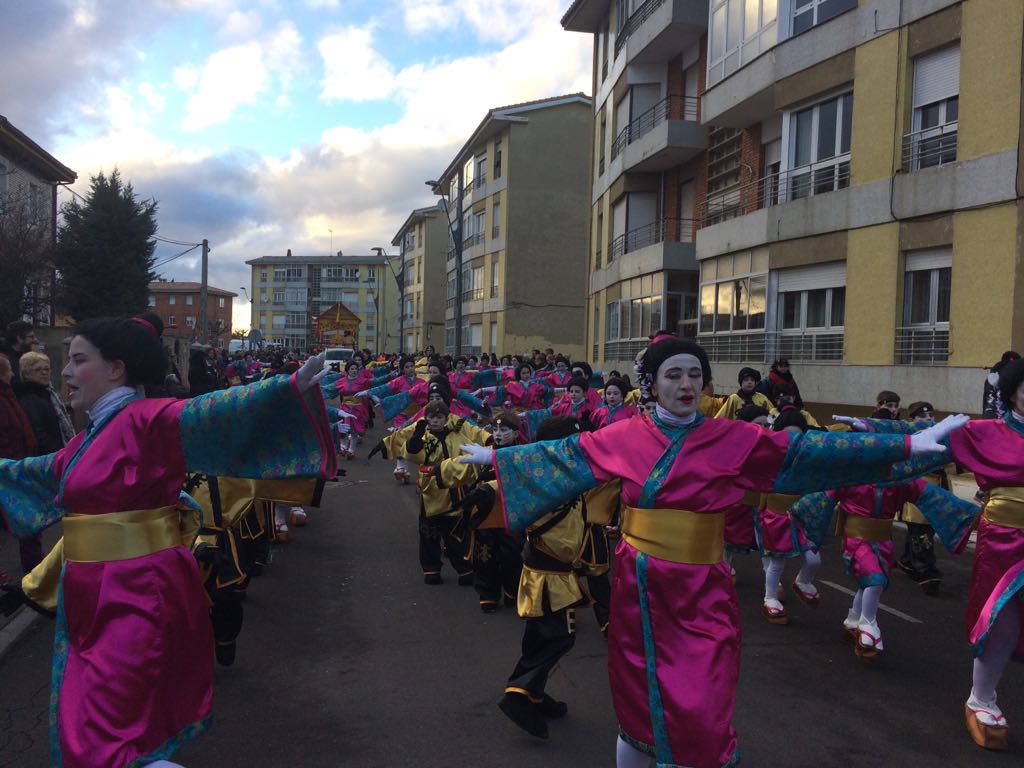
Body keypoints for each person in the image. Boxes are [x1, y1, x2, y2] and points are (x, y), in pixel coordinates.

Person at [459, 337, 965, 768]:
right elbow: (565, 456)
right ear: (651, 384)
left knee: (703, 699)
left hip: (704, 586)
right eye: (673, 375)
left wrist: (905, 446)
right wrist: (498, 457)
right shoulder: (624, 436)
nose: (685, 385)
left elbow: (808, 452)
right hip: (641, 584)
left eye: (694, 375)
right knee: (638, 697)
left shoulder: (733, 438)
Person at [0, 316, 335, 768]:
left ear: (116, 369)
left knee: (103, 736)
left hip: (135, 593)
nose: (65, 372)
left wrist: (282, 389)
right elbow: (39, 473)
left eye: (78, 360)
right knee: (92, 724)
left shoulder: (146, 419)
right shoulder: (91, 435)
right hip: (94, 597)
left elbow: (211, 412)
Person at [896, 401, 947, 595]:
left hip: (938, 488)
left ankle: (908, 561)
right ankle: (928, 573)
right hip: (919, 489)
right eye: (923, 417)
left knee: (923, 530)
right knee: (921, 532)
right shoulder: (911, 439)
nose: (928, 420)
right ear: (912, 420)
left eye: (931, 416)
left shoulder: (941, 435)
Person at [0, 354, 39, 573]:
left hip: (16, 465)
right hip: (10, 469)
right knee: (26, 522)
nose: (13, 373)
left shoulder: (9, 395)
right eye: (9, 370)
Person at [982, 351, 1020, 418]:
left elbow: (987, 399)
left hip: (988, 416)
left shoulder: (993, 373)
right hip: (1004, 419)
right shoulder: (1011, 374)